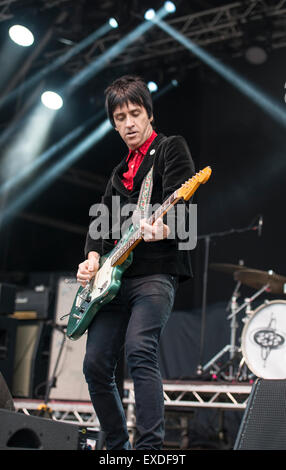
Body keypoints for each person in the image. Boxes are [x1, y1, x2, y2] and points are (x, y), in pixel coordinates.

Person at [76, 75, 195, 450]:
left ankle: (148, 451)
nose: (128, 123)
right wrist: (92, 259)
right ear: (113, 122)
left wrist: (164, 229)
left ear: (149, 114)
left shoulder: (171, 148)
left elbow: (185, 209)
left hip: (155, 274)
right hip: (114, 281)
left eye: (135, 113)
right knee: (95, 365)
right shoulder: (117, 174)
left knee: (139, 350)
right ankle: (115, 448)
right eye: (120, 116)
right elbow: (100, 225)